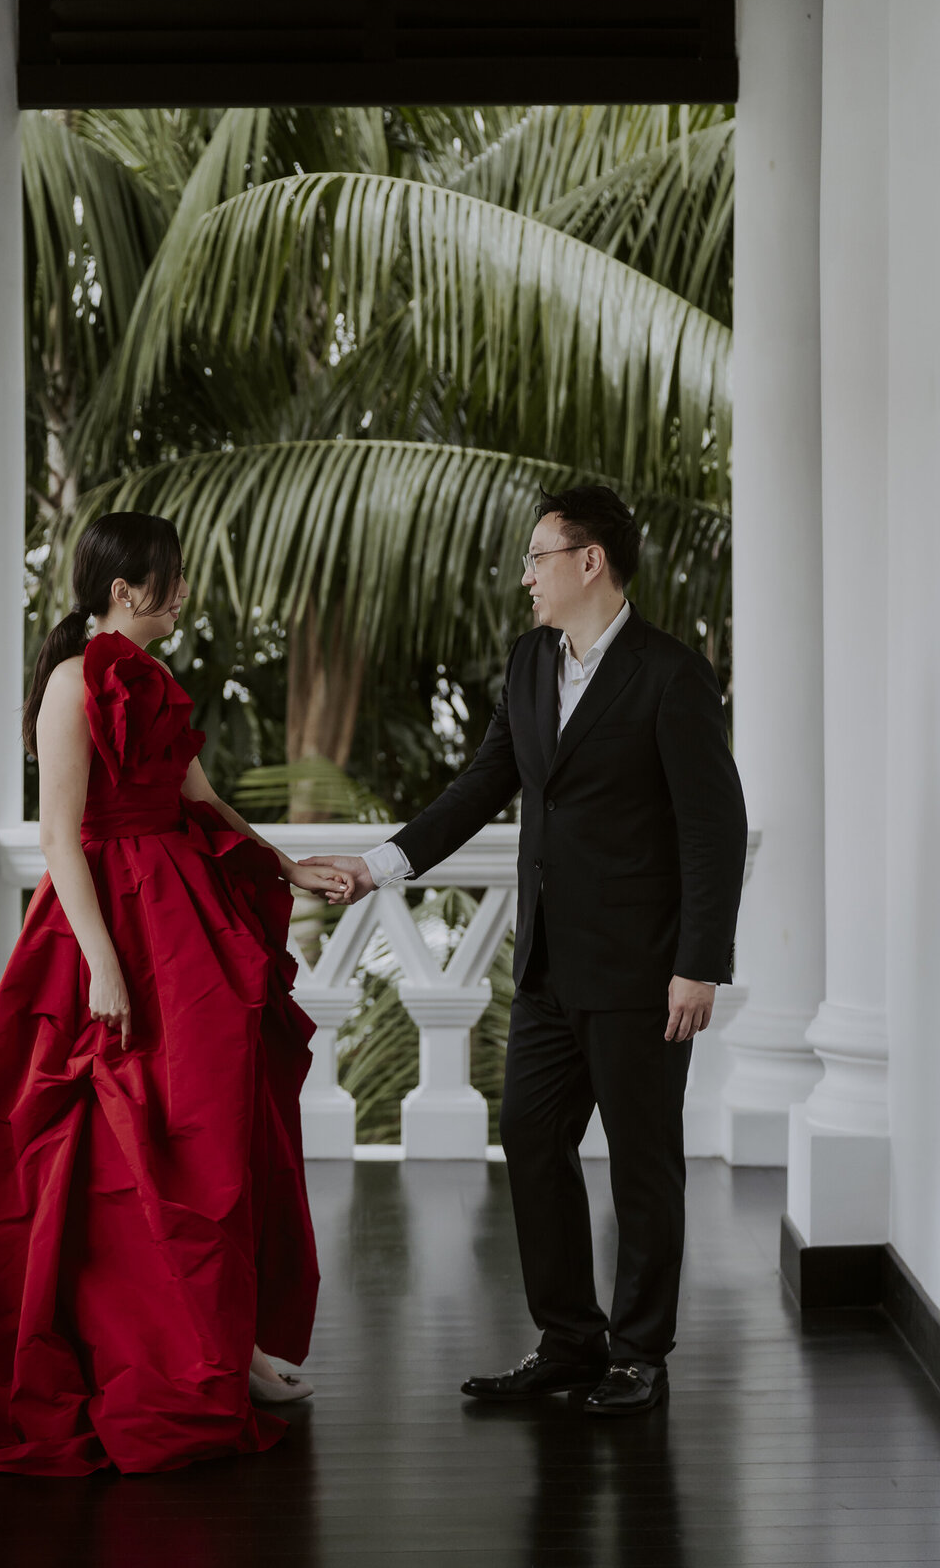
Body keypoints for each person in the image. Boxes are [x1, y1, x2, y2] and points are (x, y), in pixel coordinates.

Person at [0, 512, 352, 1473]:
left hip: (184, 913)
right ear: (122, 589)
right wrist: (102, 963)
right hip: (107, 923)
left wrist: (287, 867)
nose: (180, 592)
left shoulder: (155, 679)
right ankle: (141, 1350)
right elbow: (63, 838)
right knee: (102, 1144)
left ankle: (227, 1349)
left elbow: (202, 801)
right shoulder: (73, 682)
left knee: (215, 1130)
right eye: (167, 577)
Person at [306, 485, 748, 1416]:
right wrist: (381, 864)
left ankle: (640, 1355)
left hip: (643, 969)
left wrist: (699, 962)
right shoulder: (527, 664)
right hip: (547, 963)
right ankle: (568, 1340)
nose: (526, 575)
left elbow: (714, 828)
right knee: (530, 1138)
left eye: (538, 556)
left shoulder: (672, 675)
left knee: (643, 1161)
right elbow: (480, 785)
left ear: (591, 561)